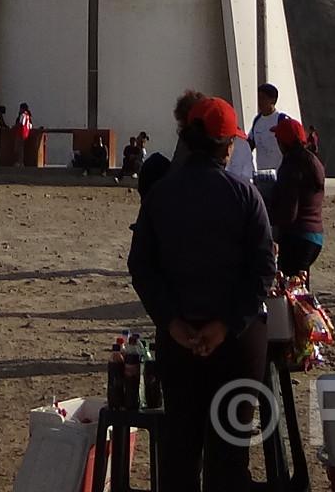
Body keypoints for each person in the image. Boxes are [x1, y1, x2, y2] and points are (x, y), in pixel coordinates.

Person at [128, 95, 276, 492]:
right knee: (228, 456)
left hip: (179, 342)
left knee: (180, 452)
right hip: (237, 344)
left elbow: (141, 266)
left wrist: (172, 322)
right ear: (226, 145)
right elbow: (264, 269)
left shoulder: (160, 195)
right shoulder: (245, 196)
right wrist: (225, 325)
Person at [267, 117, 325, 280]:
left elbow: (289, 212)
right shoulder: (313, 161)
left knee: (289, 288)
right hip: (315, 236)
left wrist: (268, 218)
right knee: (300, 285)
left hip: (296, 236)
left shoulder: (291, 166)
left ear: (283, 143)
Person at [247, 84, 286, 201]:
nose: (260, 102)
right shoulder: (257, 120)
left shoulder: (281, 120)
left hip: (279, 176)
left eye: (263, 98)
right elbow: (249, 144)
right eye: (258, 98)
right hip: (262, 177)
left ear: (273, 100)